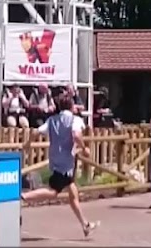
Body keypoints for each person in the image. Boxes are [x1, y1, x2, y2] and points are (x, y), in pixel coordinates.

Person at [21, 92, 99, 237]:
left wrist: (27, 144)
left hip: (57, 161)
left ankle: (85, 224)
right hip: (65, 165)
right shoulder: (75, 120)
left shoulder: (51, 120)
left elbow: (37, 132)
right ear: (71, 106)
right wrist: (84, 147)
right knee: (53, 192)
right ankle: (24, 197)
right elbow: (76, 135)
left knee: (73, 193)